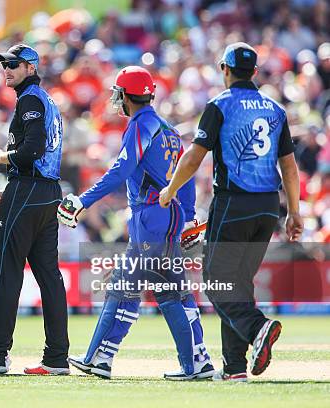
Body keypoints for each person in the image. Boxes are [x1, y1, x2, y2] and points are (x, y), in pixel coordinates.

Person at [56, 66, 214, 380]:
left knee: (149, 291)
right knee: (155, 290)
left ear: (127, 96)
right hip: (166, 217)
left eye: (118, 94)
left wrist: (83, 200)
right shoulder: (168, 129)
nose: (117, 100)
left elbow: (121, 170)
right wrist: (188, 216)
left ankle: (104, 358)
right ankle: (194, 360)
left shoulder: (141, 125)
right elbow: (186, 177)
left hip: (151, 216)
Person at [159, 42, 303, 382]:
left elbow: (194, 157)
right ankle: (235, 367)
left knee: (217, 283)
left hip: (233, 203)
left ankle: (258, 329)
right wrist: (294, 211)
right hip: (268, 207)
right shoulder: (274, 109)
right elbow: (290, 167)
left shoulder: (219, 105)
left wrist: (170, 190)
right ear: (254, 72)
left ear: (225, 69)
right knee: (239, 285)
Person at [0, 44, 70, 375]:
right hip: (45, 192)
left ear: (31, 68)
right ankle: (56, 357)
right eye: (5, 64)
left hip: (30, 191)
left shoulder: (31, 99)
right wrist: (12, 189)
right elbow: (42, 155)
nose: (7, 69)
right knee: (50, 277)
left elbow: (31, 149)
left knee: (5, 271)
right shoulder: (44, 99)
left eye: (14, 64)